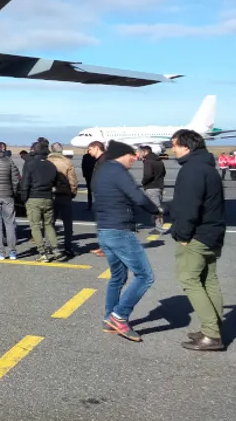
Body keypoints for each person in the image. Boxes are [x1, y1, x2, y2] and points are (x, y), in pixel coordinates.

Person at [93, 140, 163, 342]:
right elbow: (138, 197)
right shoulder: (118, 171)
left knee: (118, 276)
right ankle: (119, 315)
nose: (134, 158)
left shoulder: (102, 171)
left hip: (105, 230)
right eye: (131, 155)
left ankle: (109, 318)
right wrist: (156, 210)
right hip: (119, 231)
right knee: (145, 276)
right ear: (121, 155)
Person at [170, 129, 227, 351]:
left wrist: (182, 235)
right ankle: (213, 328)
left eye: (174, 145)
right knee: (208, 280)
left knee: (189, 279)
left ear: (186, 146)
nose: (172, 149)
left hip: (197, 235)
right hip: (213, 233)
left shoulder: (191, 170)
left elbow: (188, 207)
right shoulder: (207, 167)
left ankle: (211, 334)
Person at [19, 140, 60, 262]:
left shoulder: (30, 164)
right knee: (49, 225)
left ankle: (42, 252)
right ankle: (55, 249)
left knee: (35, 226)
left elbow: (25, 183)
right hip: (47, 197)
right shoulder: (51, 165)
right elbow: (55, 182)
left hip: (33, 197)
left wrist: (24, 198)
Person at [49, 145, 78, 259]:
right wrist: (73, 192)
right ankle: (68, 247)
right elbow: (73, 180)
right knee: (67, 223)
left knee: (50, 223)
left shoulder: (47, 161)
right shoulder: (67, 162)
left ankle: (51, 246)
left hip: (51, 194)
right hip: (65, 194)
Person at [139, 145, 167, 234]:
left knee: (156, 207)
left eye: (140, 152)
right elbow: (164, 172)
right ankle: (157, 224)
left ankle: (159, 228)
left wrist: (143, 182)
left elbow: (148, 175)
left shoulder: (148, 161)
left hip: (151, 187)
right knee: (157, 205)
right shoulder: (159, 160)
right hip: (160, 185)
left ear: (145, 152)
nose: (140, 154)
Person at [82, 141, 103, 211]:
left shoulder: (96, 157)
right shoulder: (86, 156)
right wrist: (84, 174)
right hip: (89, 175)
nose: (89, 151)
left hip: (92, 175)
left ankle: (94, 204)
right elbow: (83, 166)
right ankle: (90, 204)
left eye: (90, 149)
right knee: (90, 191)